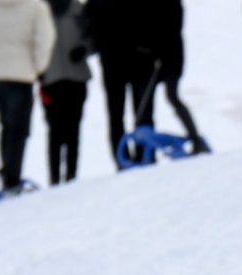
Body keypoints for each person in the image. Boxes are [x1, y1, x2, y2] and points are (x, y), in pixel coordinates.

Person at [0, 0, 59, 193]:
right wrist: (38, 67)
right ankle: (12, 180)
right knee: (20, 129)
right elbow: (46, 39)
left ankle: (7, 174)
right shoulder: (36, 7)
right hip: (22, 74)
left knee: (6, 125)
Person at [87, 0, 157, 165]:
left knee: (131, 114)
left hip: (126, 60)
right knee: (136, 114)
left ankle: (130, 159)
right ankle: (134, 158)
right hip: (131, 60)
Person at [145, 0, 211, 151]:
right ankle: (194, 138)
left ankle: (195, 139)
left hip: (169, 56)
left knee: (172, 95)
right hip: (166, 55)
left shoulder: (171, 5)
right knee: (166, 96)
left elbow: (169, 29)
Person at [42, 0, 93, 184]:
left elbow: (92, 36)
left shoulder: (78, 10)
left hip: (76, 78)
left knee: (73, 131)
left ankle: (71, 177)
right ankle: (54, 179)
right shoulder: (38, 11)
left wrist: (84, 50)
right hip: (50, 80)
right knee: (55, 131)